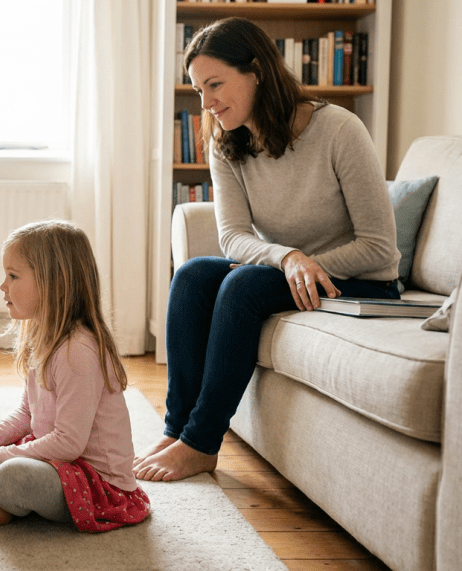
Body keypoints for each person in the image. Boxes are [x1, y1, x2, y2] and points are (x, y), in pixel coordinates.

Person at [133, 17, 401, 483]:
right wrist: (287, 258)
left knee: (243, 284)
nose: (207, 103)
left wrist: (304, 266)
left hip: (361, 281)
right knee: (194, 274)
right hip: (287, 271)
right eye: (198, 90)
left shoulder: (338, 128)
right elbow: (233, 236)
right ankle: (177, 429)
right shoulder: (225, 141)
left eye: (215, 85)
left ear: (256, 71)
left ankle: (201, 443)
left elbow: (379, 247)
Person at [0, 220, 151, 535]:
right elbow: (28, 414)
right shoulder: (42, 335)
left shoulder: (77, 351)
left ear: (51, 283)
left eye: (13, 276)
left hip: (95, 483)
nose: (3, 286)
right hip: (53, 454)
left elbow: (69, 443)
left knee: (11, 475)